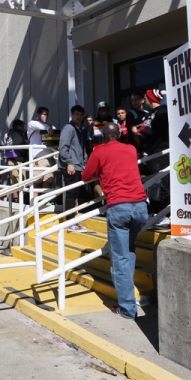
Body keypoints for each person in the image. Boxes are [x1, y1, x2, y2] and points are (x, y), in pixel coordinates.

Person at [81, 123, 147, 320]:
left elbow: (86, 176)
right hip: (141, 207)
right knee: (129, 250)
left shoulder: (99, 152)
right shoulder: (131, 149)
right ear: (119, 135)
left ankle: (127, 309)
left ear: (103, 136)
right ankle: (130, 294)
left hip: (119, 207)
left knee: (120, 259)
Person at [58, 105, 90, 219]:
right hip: (70, 166)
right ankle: (70, 220)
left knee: (80, 192)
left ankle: (78, 216)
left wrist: (84, 164)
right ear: (72, 115)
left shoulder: (80, 129)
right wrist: (69, 163)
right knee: (72, 193)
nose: (79, 117)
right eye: (77, 114)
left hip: (78, 165)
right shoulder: (69, 128)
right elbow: (63, 148)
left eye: (81, 115)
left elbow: (82, 149)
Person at [27, 106, 56, 192]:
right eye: (44, 114)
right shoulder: (32, 124)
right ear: (38, 115)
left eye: (47, 114)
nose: (46, 116)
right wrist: (48, 127)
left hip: (49, 157)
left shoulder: (51, 127)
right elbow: (39, 126)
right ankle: (34, 202)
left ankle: (44, 202)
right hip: (37, 158)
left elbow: (53, 129)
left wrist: (49, 127)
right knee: (36, 181)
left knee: (48, 180)